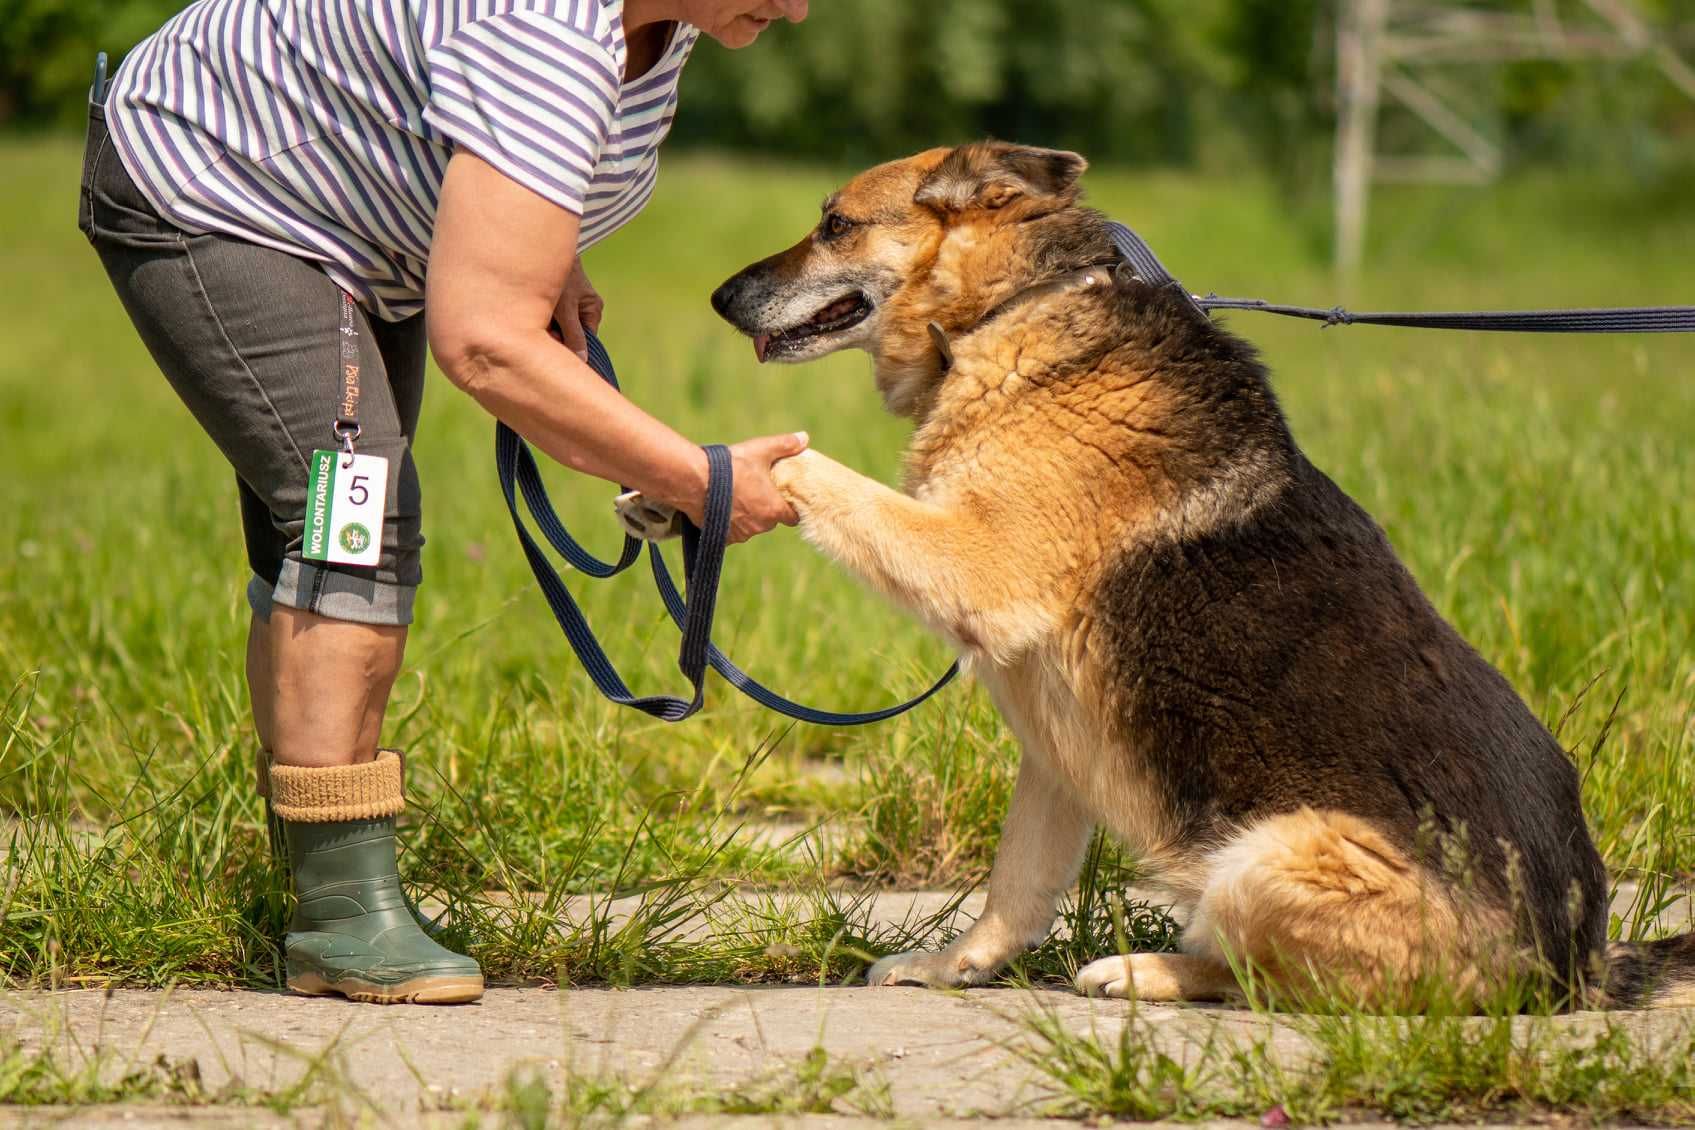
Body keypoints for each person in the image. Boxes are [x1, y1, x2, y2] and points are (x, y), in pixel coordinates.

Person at [79, 0, 811, 1005]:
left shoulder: (664, 19)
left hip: (353, 225)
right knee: (353, 520)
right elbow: (485, 342)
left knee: (333, 527)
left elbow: (488, 130)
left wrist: (544, 239)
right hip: (221, 188)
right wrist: (701, 477)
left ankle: (315, 874)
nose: (801, 7)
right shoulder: (551, 27)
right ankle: (339, 914)